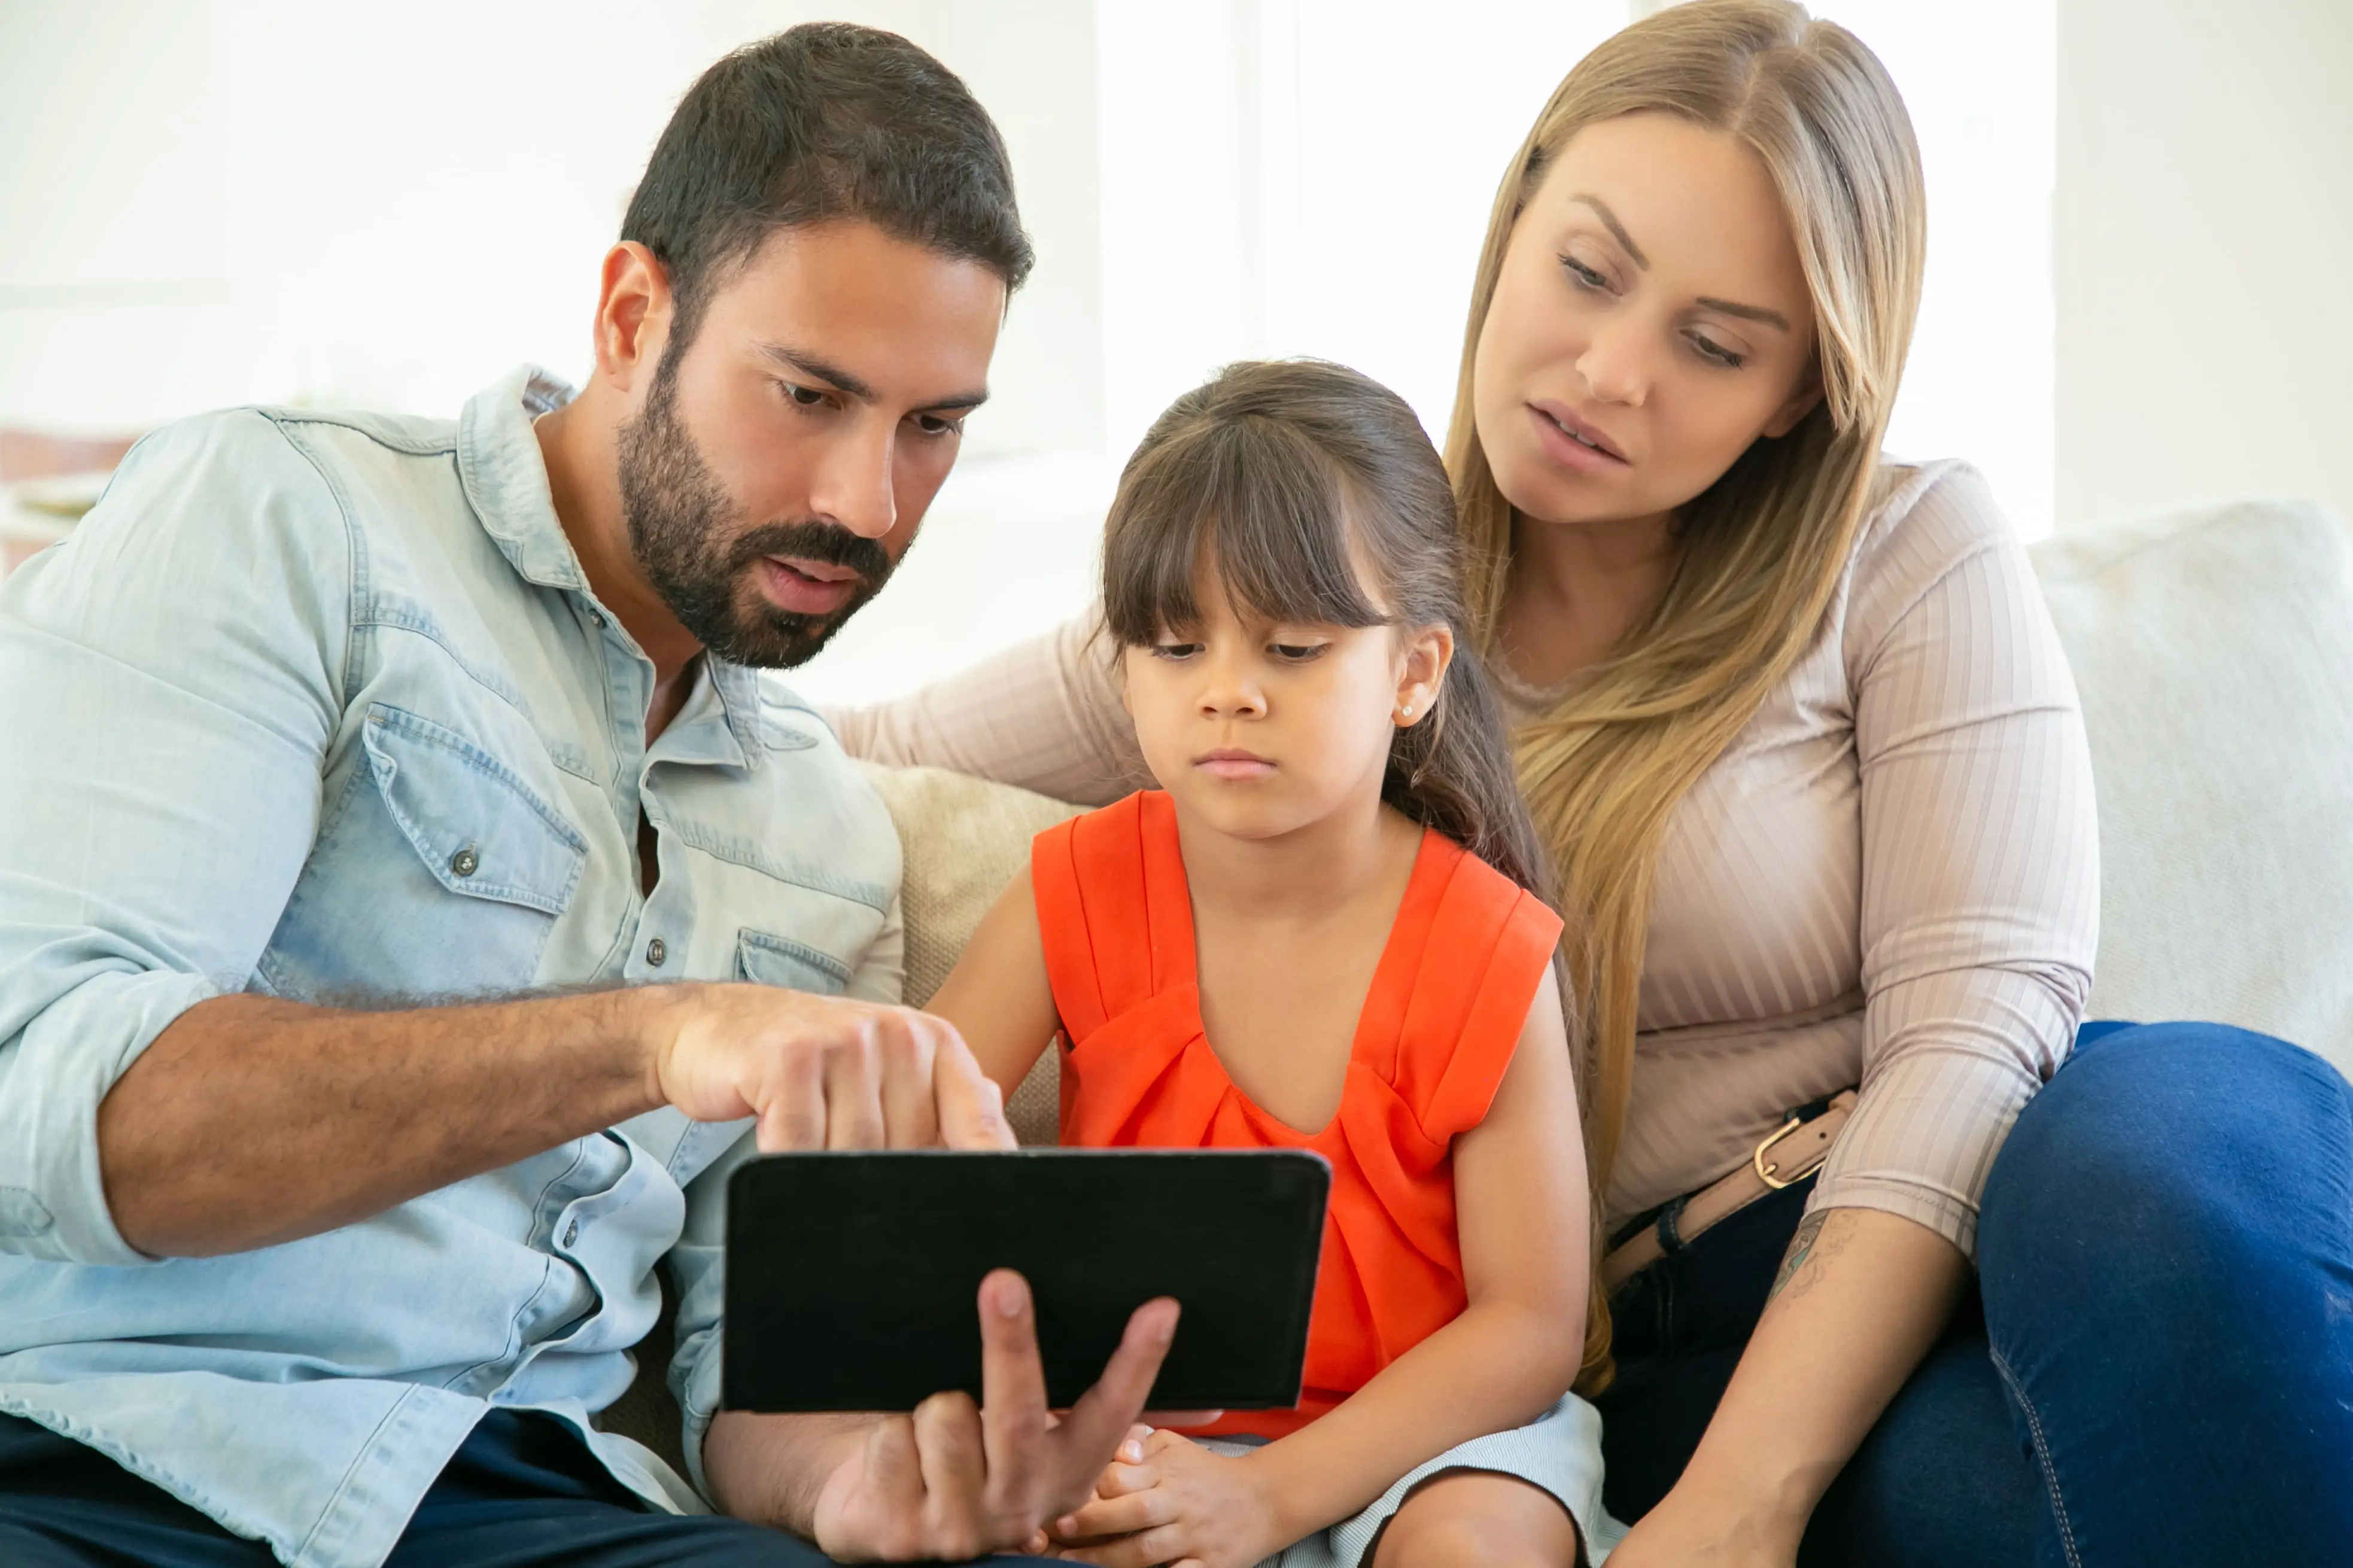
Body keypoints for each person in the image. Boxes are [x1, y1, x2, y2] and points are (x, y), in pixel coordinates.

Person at [833, 5, 2353, 1564]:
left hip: (2012, 1195)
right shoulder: (1318, 599)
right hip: (1661, 1344)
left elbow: (1978, 1032)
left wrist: (1739, 1501)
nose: (1611, 371)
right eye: (1586, 269)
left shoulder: (1904, 550)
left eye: (1714, 345)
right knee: (2008, 1520)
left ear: (1798, 391)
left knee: (2152, 1198)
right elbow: (857, 749)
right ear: (1511, 226)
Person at [0, 25, 1180, 1568]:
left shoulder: (818, 831)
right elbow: (66, 1114)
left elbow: (739, 1367)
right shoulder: (288, 517)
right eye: (808, 394)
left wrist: (857, 1484)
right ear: (634, 314)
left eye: (932, 424)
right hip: (106, 1464)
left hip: (539, 1507)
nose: (865, 501)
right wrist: (655, 1033)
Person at [929, 361, 1606, 1568]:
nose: (1228, 694)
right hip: (1144, 1427)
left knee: (1480, 1546)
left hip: (1432, 1439)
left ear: (1414, 672)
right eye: (1176, 646)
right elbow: (903, 1168)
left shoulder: (1489, 946)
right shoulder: (1072, 890)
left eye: (1292, 648)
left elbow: (1528, 1327)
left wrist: (1272, 1497)